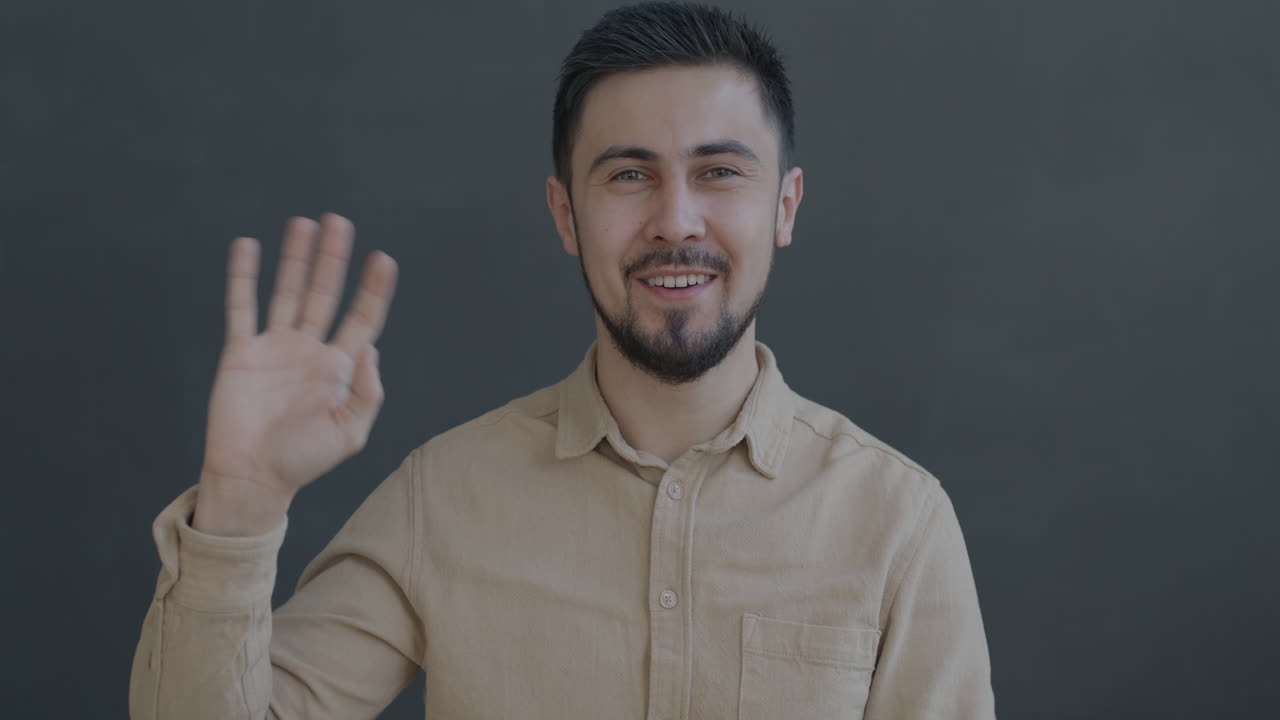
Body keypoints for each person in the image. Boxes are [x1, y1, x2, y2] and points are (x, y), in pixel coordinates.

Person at [129, 2, 996, 718]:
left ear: (785, 206)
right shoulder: (445, 498)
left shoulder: (898, 522)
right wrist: (241, 505)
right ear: (565, 214)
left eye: (720, 172)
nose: (676, 220)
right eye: (629, 175)